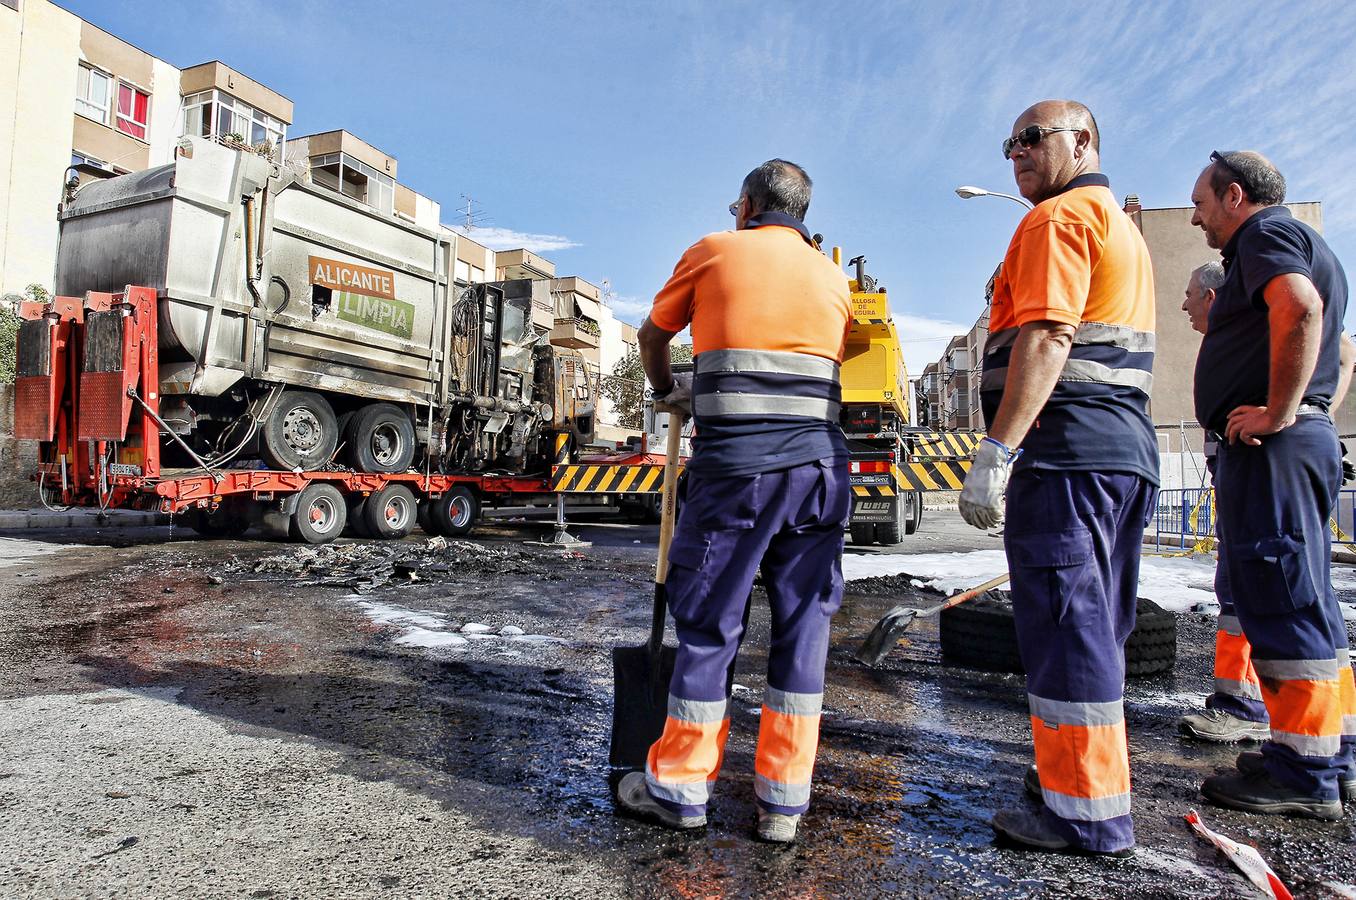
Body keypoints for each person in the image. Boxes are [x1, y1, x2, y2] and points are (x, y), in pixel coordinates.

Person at [615, 159, 852, 844]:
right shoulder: (835, 279)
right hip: (820, 473)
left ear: (747, 206)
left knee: (713, 623)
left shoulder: (716, 251)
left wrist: (669, 389)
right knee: (803, 630)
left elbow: (652, 336)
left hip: (739, 473)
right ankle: (783, 804)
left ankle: (681, 790)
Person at [958, 99, 1158, 857]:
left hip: (1068, 452)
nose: (1017, 154)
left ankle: (1084, 813)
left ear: (1084, 140)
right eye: (1010, 143)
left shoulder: (1055, 220)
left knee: (1069, 626)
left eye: (1033, 139)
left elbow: (1047, 332)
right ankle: (1077, 787)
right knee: (1096, 623)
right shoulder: (1117, 224)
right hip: (1116, 449)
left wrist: (996, 451)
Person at [1190, 150, 1356, 819]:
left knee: (1281, 595)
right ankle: (1320, 752)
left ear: (1235, 196)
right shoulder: (1306, 242)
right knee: (1305, 597)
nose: (1198, 216)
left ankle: (1306, 775)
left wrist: (1280, 412)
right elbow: (1338, 346)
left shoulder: (1265, 236)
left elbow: (1300, 307)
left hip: (1273, 447)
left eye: (1201, 203)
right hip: (1293, 443)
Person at [1180, 265, 1356, 752]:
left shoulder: (1259, 310)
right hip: (1248, 468)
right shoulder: (1246, 334)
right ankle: (1329, 734)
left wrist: (1293, 412)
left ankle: (1263, 717)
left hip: (1266, 467)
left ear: (1214, 296)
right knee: (1287, 592)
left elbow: (1343, 353)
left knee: (1267, 590)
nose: (1185, 305)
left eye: (1190, 295)